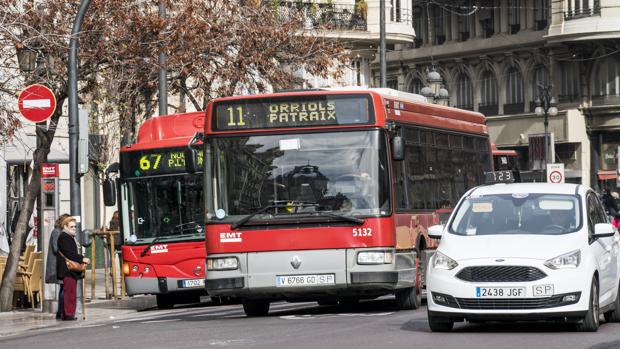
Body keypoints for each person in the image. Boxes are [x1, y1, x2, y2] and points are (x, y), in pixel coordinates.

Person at [56, 216, 90, 320]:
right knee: (69, 293)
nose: (74, 228)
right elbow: (69, 253)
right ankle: (68, 314)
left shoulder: (69, 236)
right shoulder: (64, 237)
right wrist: (82, 259)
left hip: (69, 269)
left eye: (75, 226)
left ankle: (67, 313)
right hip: (68, 269)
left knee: (70, 292)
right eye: (71, 226)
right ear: (65, 226)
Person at [45, 213, 71, 320]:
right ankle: (61, 312)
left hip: (61, 263)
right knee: (63, 287)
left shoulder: (62, 232)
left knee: (63, 287)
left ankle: (61, 312)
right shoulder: (57, 232)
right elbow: (56, 248)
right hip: (57, 264)